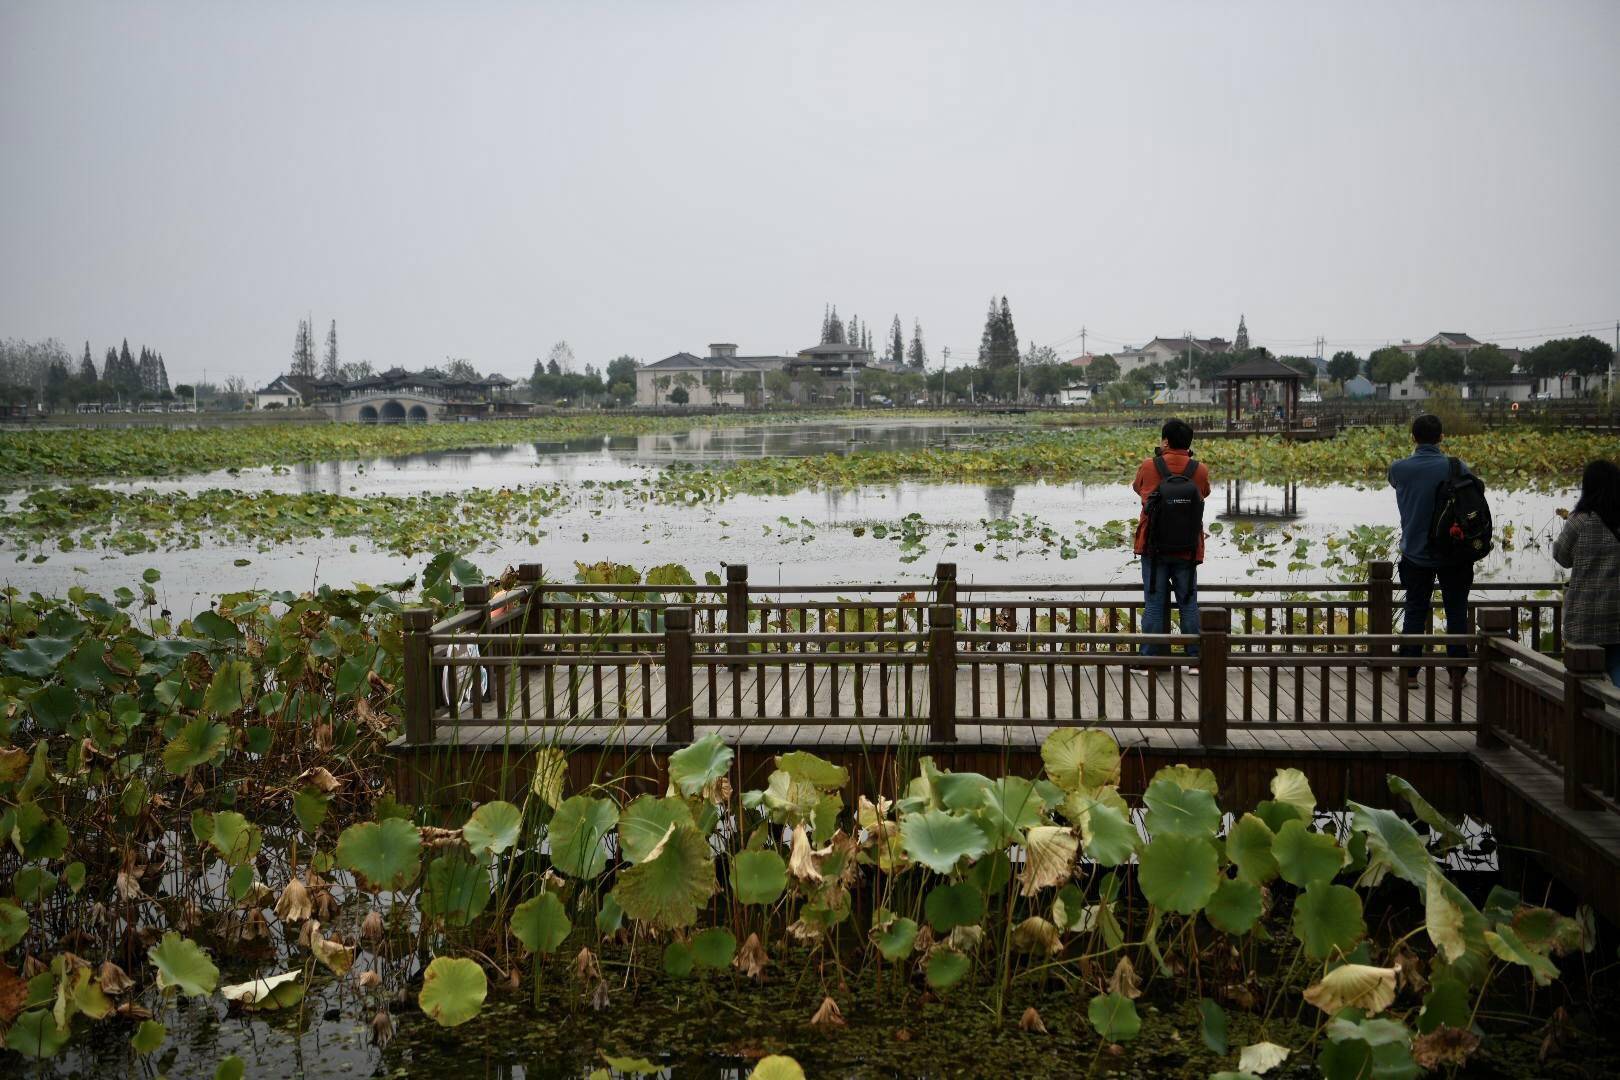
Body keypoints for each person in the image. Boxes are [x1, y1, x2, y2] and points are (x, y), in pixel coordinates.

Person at [1388, 413, 1477, 688]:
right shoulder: (1457, 467)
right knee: (1456, 611)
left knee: (1415, 610)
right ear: (1441, 438)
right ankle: (1456, 673)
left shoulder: (1399, 469)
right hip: (1454, 551)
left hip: (1415, 552)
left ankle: (1410, 673)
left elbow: (1395, 485)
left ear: (1413, 437)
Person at [1132, 418, 1211, 675]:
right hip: (1187, 549)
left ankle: (1148, 661)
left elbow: (1138, 489)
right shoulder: (1200, 470)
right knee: (1189, 602)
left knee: (1154, 603)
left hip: (1152, 548)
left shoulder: (1148, 465)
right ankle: (1196, 659)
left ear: (1165, 441)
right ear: (1189, 443)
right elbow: (1204, 493)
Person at [1552, 459, 1620, 687]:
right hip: (1617, 616)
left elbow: (1562, 557)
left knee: (1584, 680)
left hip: (1585, 617)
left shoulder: (1579, 521)